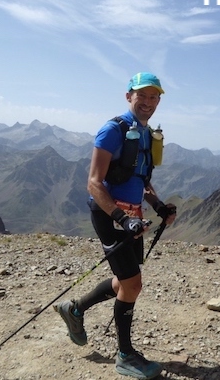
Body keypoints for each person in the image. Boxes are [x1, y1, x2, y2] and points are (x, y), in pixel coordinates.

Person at [54, 72, 177, 379]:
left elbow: (141, 179)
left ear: (159, 100)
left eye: (154, 97)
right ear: (128, 97)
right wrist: (122, 218)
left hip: (133, 216)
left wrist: (158, 206)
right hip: (112, 216)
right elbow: (94, 183)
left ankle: (75, 309)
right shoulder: (112, 130)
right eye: (142, 96)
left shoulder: (146, 133)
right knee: (133, 284)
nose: (148, 102)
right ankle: (125, 355)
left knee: (124, 282)